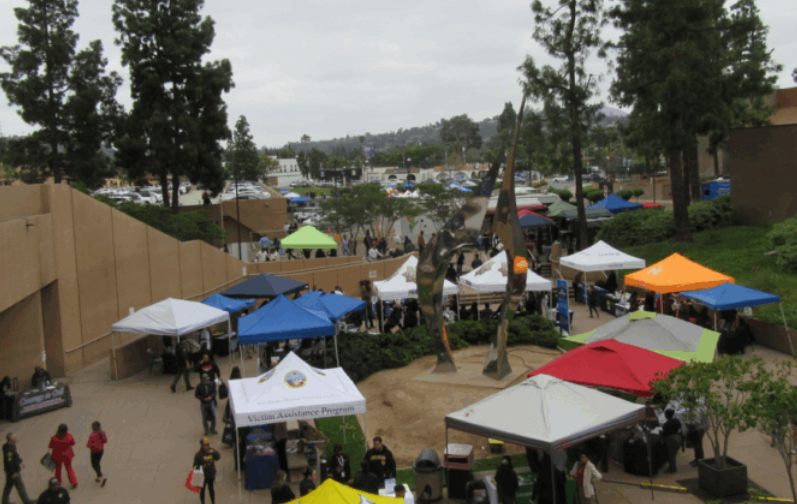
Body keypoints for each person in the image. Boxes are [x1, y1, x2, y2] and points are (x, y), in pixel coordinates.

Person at [3, 432, 35, 504]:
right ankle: (27, 501)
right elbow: (9, 462)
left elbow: (16, 456)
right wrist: (13, 472)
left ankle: (4, 501)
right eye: (15, 437)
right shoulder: (9, 450)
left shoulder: (12, 446)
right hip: (14, 471)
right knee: (20, 486)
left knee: (8, 485)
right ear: (11, 439)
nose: (17, 438)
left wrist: (21, 461)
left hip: (10, 472)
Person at [49, 424, 77, 489]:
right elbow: (73, 443)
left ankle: (58, 483)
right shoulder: (69, 436)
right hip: (67, 455)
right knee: (69, 468)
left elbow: (50, 446)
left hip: (57, 456)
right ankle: (73, 482)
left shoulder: (54, 438)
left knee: (58, 469)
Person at [193, 438, 220, 504]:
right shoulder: (198, 455)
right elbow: (195, 466)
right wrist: (202, 466)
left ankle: (213, 502)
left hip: (210, 474)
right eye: (205, 445)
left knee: (211, 489)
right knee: (202, 490)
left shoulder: (211, 451)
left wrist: (214, 452)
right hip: (202, 476)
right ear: (202, 446)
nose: (207, 446)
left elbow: (218, 457)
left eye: (208, 444)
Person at [86, 421, 108, 486]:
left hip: (94, 452)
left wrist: (87, 445)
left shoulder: (92, 435)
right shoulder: (102, 433)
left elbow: (89, 445)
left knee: (94, 465)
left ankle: (102, 476)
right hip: (101, 451)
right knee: (97, 463)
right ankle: (97, 477)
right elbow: (105, 441)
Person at [662, 409, 683, 473]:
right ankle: (672, 467)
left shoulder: (667, 424)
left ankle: (672, 468)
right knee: (674, 454)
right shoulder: (676, 421)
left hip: (671, 440)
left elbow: (664, 433)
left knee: (671, 455)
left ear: (667, 415)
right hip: (678, 438)